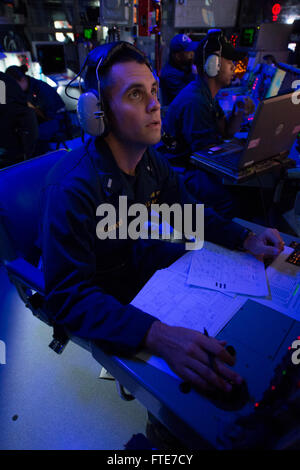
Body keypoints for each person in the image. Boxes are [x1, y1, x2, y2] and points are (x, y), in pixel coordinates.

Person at [39, 41, 284, 401]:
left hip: (135, 261)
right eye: (136, 94)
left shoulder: (151, 161)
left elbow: (187, 213)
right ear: (98, 113)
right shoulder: (72, 190)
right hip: (99, 288)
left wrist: (243, 237)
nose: (156, 104)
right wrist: (155, 334)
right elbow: (66, 294)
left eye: (153, 90)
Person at [161, 30, 256, 219]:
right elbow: (207, 156)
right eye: (230, 63)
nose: (234, 68)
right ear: (213, 66)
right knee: (230, 200)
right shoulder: (195, 101)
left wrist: (238, 114)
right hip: (181, 171)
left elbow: (226, 133)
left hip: (194, 163)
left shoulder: (207, 95)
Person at [5, 64, 66, 153]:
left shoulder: (41, 89)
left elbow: (50, 115)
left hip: (58, 121)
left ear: (22, 80)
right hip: (43, 120)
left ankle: (42, 159)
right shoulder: (25, 90)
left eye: (14, 86)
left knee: (29, 136)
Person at [0, 64, 38, 166]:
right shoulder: (4, 82)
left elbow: (5, 108)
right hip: (17, 137)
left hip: (13, 143)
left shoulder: (3, 83)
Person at [159, 33, 198, 106]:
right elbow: (189, 98)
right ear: (178, 56)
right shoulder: (169, 75)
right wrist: (195, 75)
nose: (192, 55)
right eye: (189, 52)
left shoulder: (183, 67)